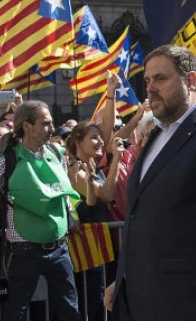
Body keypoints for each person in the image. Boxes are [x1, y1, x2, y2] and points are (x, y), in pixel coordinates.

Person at [105, 45, 196, 321]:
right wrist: (124, 277)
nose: (150, 88)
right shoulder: (158, 133)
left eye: (160, 79)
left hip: (192, 300)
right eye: (147, 81)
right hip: (145, 296)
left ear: (191, 80)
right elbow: (142, 215)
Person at [0, 100, 80, 320]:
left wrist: (70, 218)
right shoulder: (6, 160)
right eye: (45, 123)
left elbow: (63, 194)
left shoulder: (56, 154)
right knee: (16, 312)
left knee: (70, 310)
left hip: (59, 248)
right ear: (27, 126)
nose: (51, 128)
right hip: (23, 251)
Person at [66, 121, 121, 321]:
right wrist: (116, 160)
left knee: (102, 303)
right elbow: (106, 194)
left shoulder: (92, 167)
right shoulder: (76, 169)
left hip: (100, 247)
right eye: (94, 137)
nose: (100, 141)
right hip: (86, 250)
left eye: (100, 137)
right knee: (92, 304)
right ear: (78, 142)